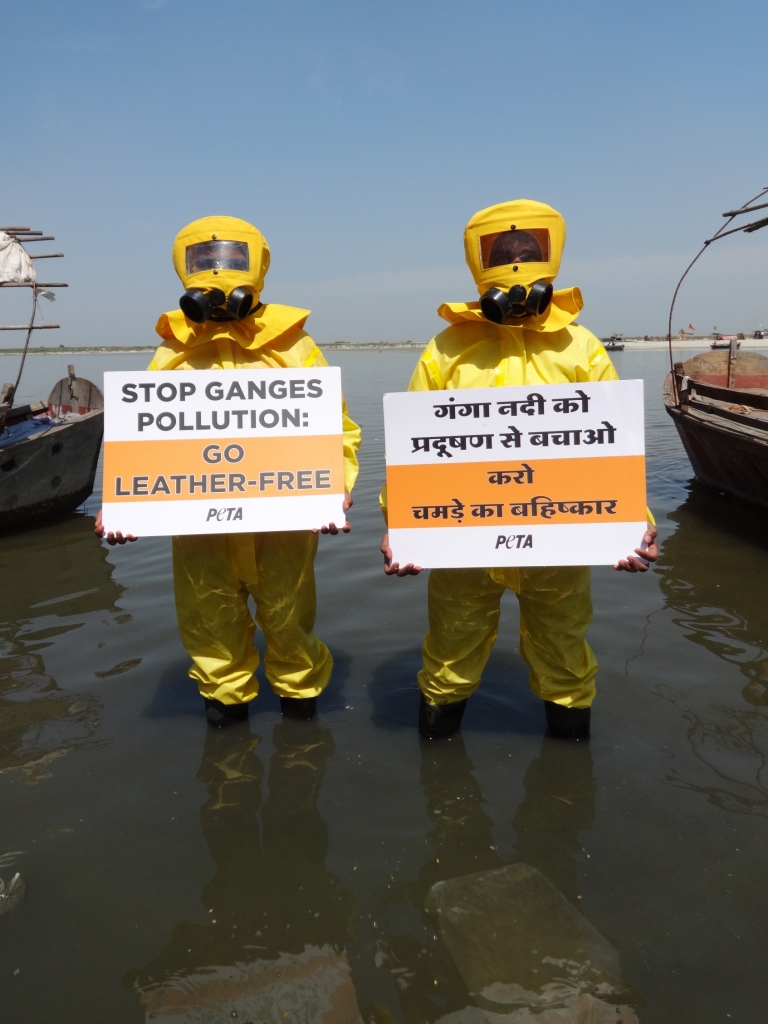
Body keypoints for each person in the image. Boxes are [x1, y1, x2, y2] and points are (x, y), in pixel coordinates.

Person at [380, 199, 658, 741]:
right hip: (465, 540)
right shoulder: (445, 350)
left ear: (548, 256)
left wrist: (633, 522)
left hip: (559, 538)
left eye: (525, 249)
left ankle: (569, 775)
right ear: (478, 262)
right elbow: (409, 450)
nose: (514, 257)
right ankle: (441, 779)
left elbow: (614, 448)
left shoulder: (581, 346)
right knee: (448, 656)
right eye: (501, 250)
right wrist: (402, 526)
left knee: (565, 654)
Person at [96, 216, 361, 727]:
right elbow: (143, 440)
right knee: (211, 630)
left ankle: (300, 728)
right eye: (205, 262)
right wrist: (119, 502)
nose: (218, 274)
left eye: (232, 261)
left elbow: (339, 428)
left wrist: (337, 487)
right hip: (201, 532)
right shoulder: (171, 352)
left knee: (290, 625)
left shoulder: (294, 348)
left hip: (283, 527)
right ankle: (227, 724)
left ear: (257, 265)